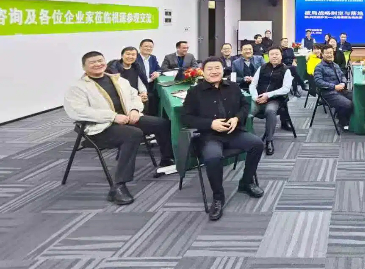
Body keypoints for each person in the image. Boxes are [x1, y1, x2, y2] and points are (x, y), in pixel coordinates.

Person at [64, 51, 175, 205]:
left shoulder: (119, 80)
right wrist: (113, 117)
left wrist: (135, 109)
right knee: (133, 134)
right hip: (101, 128)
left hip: (127, 119)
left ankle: (167, 159)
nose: (97, 64)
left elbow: (135, 96)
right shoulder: (77, 87)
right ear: (84, 67)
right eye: (92, 62)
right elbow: (78, 111)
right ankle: (118, 186)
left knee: (162, 124)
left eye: (100, 60)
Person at [182, 57, 265, 221]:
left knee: (257, 144)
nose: (214, 72)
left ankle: (246, 182)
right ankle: (218, 196)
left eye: (217, 68)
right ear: (203, 72)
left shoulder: (233, 86)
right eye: (210, 69)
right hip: (209, 136)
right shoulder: (195, 92)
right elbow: (186, 118)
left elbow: (245, 106)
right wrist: (210, 124)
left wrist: (237, 118)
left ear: (223, 70)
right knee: (213, 157)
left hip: (234, 132)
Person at [250, 47, 294, 156]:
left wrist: (268, 95)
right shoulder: (262, 68)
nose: (274, 56)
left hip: (274, 99)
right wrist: (255, 97)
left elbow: (286, 89)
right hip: (258, 98)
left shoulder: (286, 70)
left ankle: (269, 140)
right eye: (272, 54)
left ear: (281, 56)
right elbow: (253, 85)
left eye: (277, 54)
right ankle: (249, 138)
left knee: (270, 111)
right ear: (268, 56)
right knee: (248, 112)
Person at [314, 45, 354, 130]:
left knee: (357, 98)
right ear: (322, 54)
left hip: (341, 90)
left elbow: (342, 75)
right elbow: (318, 81)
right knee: (348, 104)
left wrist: (343, 83)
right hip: (328, 93)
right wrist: (334, 87)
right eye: (327, 53)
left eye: (331, 53)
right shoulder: (319, 67)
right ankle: (343, 122)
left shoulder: (335, 65)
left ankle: (349, 119)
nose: (329, 55)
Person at [137, 39, 162, 115]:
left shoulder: (153, 58)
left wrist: (157, 73)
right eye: (146, 46)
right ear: (140, 47)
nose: (148, 48)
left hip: (151, 85)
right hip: (138, 86)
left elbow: (159, 69)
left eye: (151, 47)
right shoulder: (135, 58)